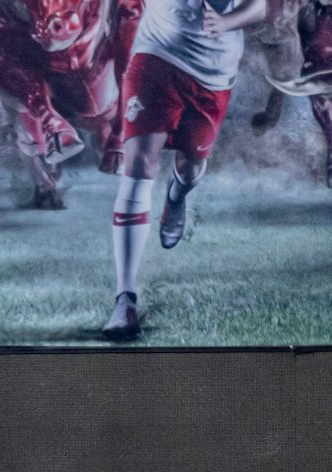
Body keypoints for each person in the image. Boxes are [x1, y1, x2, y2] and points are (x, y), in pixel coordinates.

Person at [101, 0, 267, 340]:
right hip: (156, 55)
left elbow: (263, 5)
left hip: (213, 73)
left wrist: (228, 21)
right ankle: (125, 299)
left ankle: (176, 197)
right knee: (138, 167)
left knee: (191, 166)